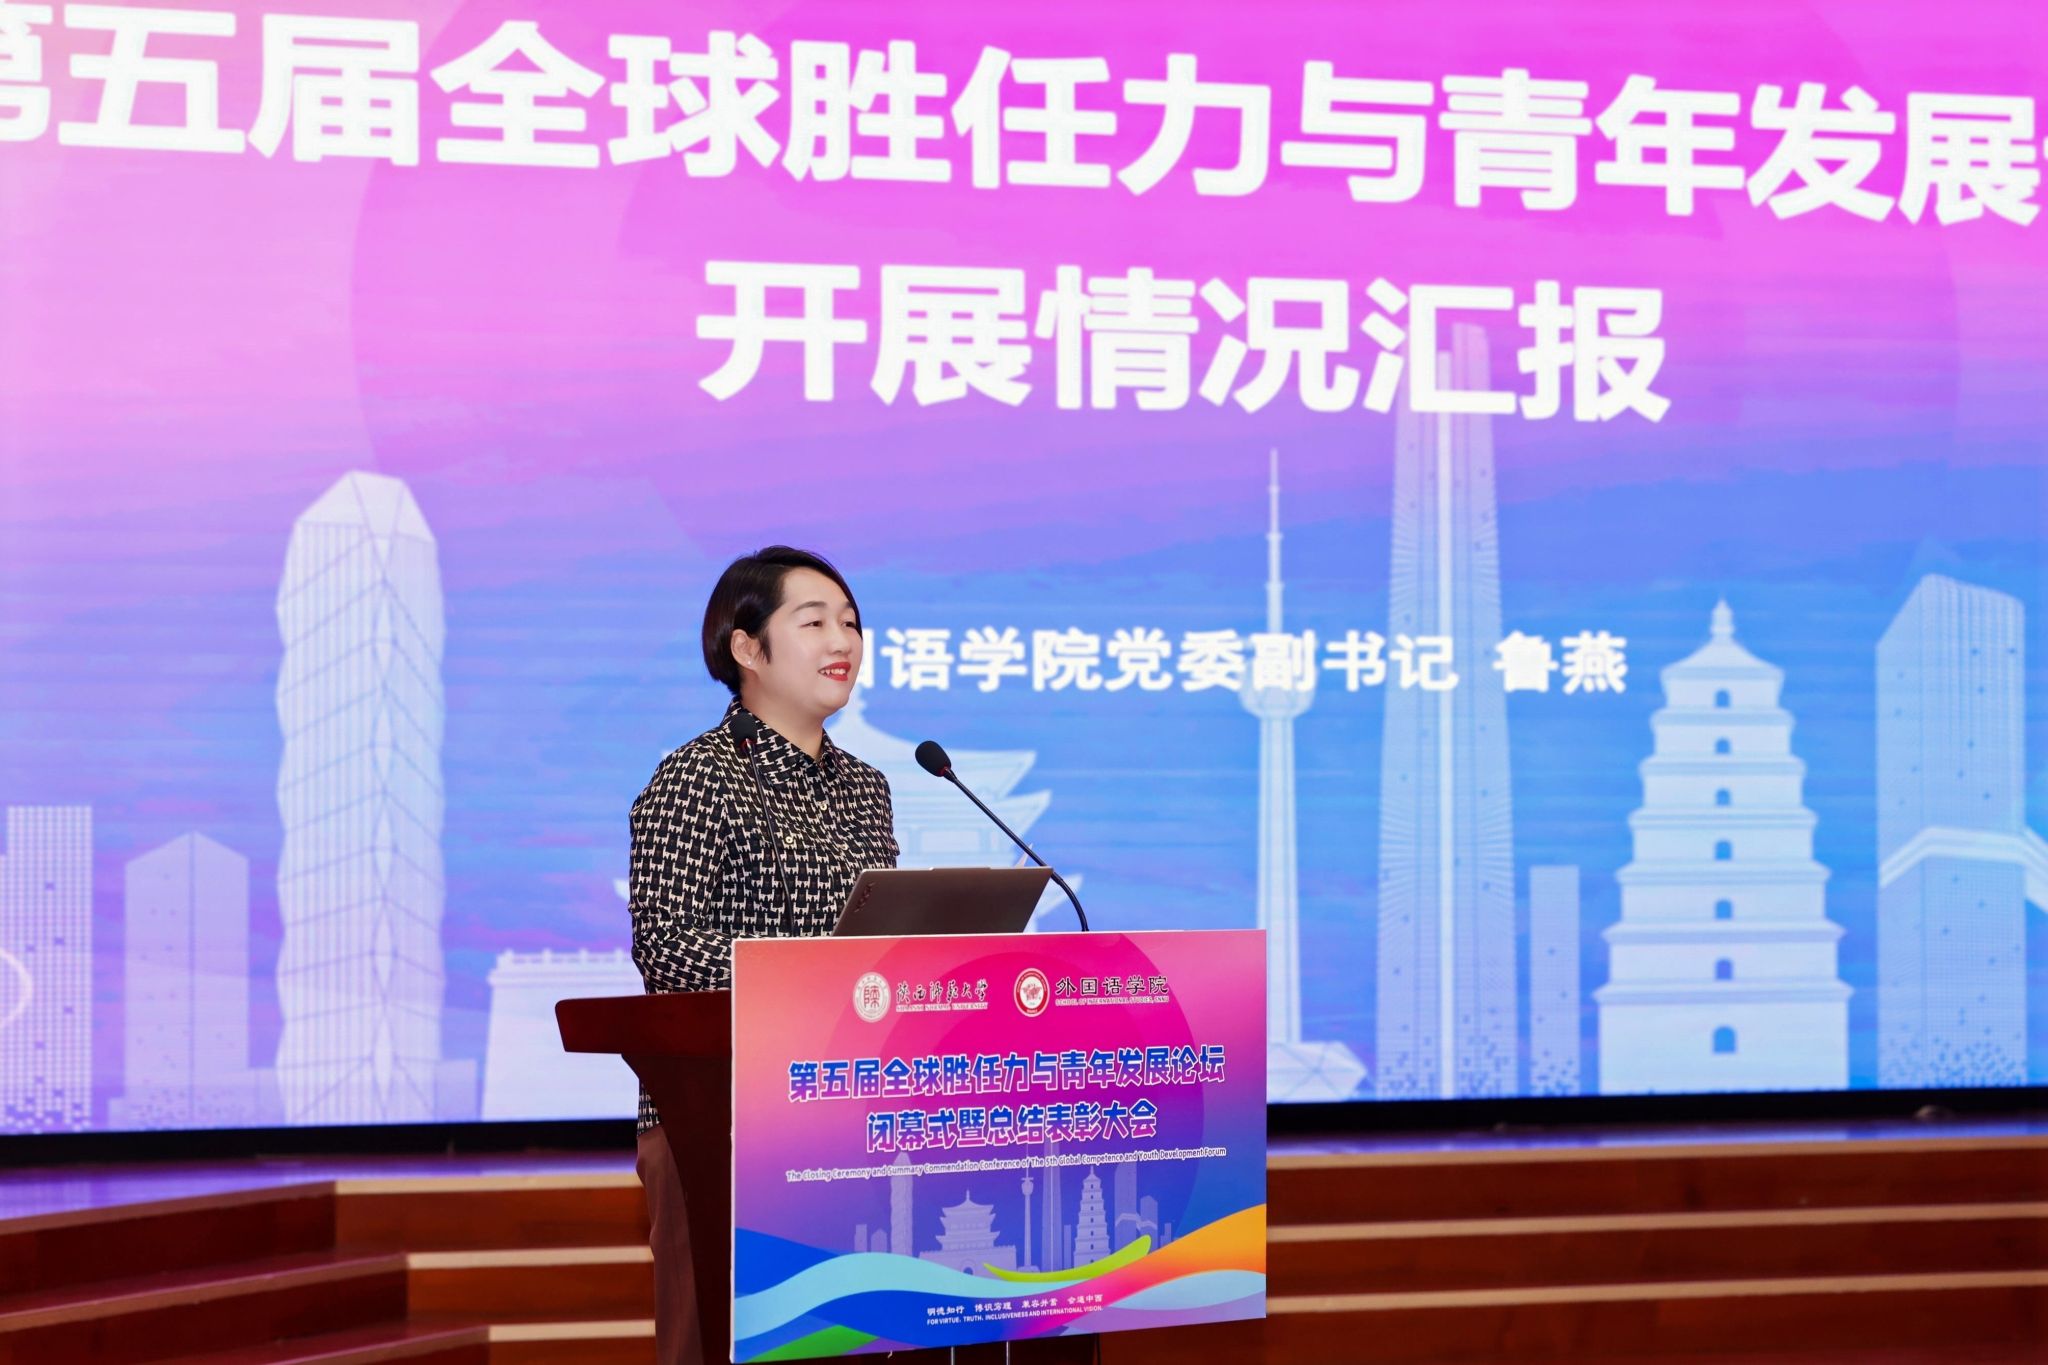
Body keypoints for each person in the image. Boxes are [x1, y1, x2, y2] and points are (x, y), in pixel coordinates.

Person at [628, 546, 899, 1365]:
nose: (842, 640)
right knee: (714, 1341)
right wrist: (802, 984)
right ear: (747, 648)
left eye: (850, 622)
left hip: (846, 1108)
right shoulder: (695, 777)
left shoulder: (867, 787)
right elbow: (668, 944)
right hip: (719, 1113)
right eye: (813, 622)